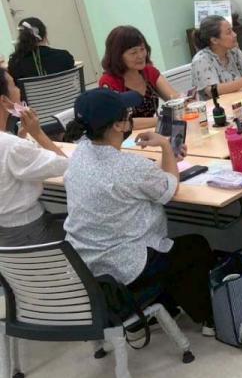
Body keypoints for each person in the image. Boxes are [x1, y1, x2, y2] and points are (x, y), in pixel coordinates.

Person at [63, 88, 216, 333]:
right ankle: (208, 320)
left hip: (86, 266)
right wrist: (165, 145)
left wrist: (167, 160)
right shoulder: (129, 167)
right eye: (127, 114)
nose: (130, 117)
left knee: (169, 250)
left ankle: (162, 308)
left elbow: (136, 181)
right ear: (118, 125)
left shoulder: (80, 153)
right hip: (125, 266)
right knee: (194, 247)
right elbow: (169, 187)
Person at [0, 69, 69, 246]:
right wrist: (38, 133)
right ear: (4, 100)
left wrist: (21, 137)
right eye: (14, 85)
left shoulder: (12, 144)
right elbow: (66, 165)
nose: (19, 89)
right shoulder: (12, 146)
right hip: (29, 232)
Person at [98, 26, 178, 129]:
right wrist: (164, 119)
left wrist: (185, 101)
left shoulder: (149, 71)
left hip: (154, 131)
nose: (140, 56)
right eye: (133, 52)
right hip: (127, 137)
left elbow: (174, 99)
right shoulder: (109, 81)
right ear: (117, 56)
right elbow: (122, 123)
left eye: (142, 49)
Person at [190, 15, 242, 100]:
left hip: (241, 99)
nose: (235, 35)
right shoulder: (201, 60)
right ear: (214, 40)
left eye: (232, 30)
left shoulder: (234, 51)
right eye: (229, 32)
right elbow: (213, 91)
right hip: (217, 106)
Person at [7, 17, 75, 85]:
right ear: (45, 35)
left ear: (21, 37)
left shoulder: (15, 62)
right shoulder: (65, 56)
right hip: (63, 92)